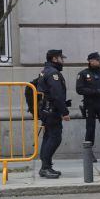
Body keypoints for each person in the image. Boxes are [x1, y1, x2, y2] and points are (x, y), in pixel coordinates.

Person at [37, 49, 70, 179]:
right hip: (52, 110)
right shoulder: (53, 73)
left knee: (48, 137)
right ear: (55, 59)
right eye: (61, 58)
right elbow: (57, 95)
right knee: (55, 138)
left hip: (46, 110)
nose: (63, 61)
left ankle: (46, 166)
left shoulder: (45, 70)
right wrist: (64, 112)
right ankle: (45, 167)